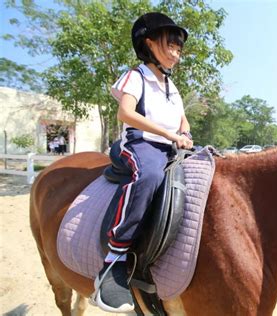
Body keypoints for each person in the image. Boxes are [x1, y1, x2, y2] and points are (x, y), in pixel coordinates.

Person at [91, 12, 193, 313]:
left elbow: (182, 118)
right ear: (149, 43)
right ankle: (114, 259)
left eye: (178, 48)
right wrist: (167, 133)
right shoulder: (136, 76)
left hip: (170, 145)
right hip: (140, 143)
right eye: (170, 45)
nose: (176, 52)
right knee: (148, 176)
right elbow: (125, 113)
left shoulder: (172, 87)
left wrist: (184, 133)